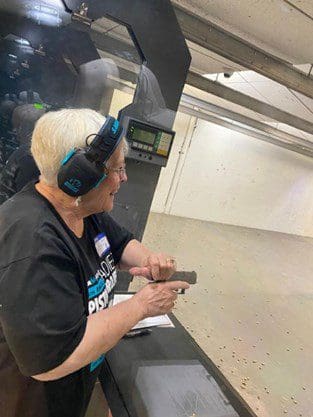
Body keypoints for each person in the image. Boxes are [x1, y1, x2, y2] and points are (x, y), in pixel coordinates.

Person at [0, 108, 189, 417]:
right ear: (81, 176)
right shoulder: (33, 240)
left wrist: (149, 259)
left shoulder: (83, 210)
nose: (124, 178)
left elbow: (120, 243)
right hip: (35, 404)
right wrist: (142, 305)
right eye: (117, 169)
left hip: (73, 392)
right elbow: (51, 360)